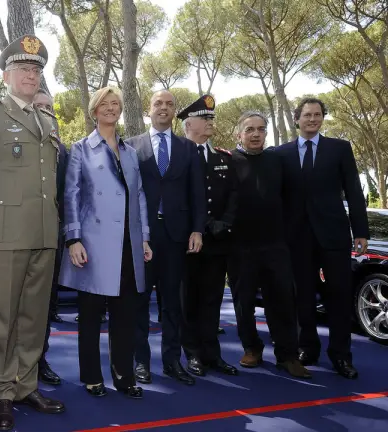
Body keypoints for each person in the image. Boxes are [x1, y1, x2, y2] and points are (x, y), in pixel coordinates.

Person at [0, 34, 65, 431]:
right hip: (4, 234)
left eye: (36, 70)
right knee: (4, 316)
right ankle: (2, 391)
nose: (31, 76)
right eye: (24, 69)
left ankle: (26, 385)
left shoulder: (47, 119)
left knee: (34, 317)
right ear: (6, 75)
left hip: (43, 232)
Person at [59, 86, 152, 399]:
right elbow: (70, 195)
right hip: (94, 244)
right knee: (90, 314)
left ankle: (124, 375)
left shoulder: (129, 152)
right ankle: (91, 376)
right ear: (94, 110)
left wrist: (144, 238)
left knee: (125, 315)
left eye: (116, 104)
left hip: (128, 243)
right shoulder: (81, 149)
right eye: (106, 104)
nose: (112, 108)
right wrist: (73, 239)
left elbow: (138, 195)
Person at [276, 98, 368, 379]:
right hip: (297, 238)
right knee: (302, 296)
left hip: (334, 235)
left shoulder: (340, 149)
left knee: (339, 296)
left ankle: (341, 356)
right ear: (296, 119)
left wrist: (361, 231)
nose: (312, 119)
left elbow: (354, 191)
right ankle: (308, 348)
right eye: (307, 115)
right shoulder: (281, 154)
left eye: (317, 115)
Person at [125, 90, 205, 386]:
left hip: (177, 237)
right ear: (149, 109)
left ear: (174, 112)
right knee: (139, 302)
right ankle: (140, 363)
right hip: (142, 237)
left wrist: (197, 229)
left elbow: (197, 193)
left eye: (169, 104)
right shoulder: (131, 147)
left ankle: (172, 361)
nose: (164, 108)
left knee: (173, 303)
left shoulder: (188, 149)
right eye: (158, 103)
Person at [230, 111, 310, 379]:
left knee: (283, 302)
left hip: (276, 246)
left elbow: (293, 200)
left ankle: (287, 355)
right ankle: (251, 348)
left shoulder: (278, 161)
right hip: (241, 248)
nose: (255, 134)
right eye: (250, 129)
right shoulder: (229, 161)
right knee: (244, 303)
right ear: (239, 133)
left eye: (261, 129)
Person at [176, 95, 239, 377]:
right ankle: (192, 354)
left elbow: (234, 195)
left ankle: (212, 353)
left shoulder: (223, 158)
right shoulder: (178, 156)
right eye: (206, 118)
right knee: (188, 299)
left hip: (217, 242)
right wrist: (199, 225)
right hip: (188, 241)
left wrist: (224, 221)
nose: (211, 122)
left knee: (213, 299)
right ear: (189, 124)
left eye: (212, 118)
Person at [33, 88, 65, 386]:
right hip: (19, 238)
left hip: (52, 240)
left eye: (49, 107)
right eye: (38, 106)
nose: (45, 110)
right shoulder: (15, 144)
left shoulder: (62, 150)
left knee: (46, 305)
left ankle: (40, 360)